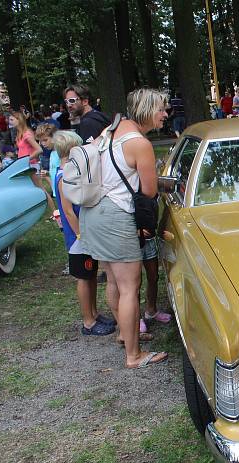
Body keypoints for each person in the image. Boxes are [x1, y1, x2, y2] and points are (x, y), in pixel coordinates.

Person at [79, 88, 169, 369]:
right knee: (131, 286)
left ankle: (123, 333)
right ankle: (134, 355)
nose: (165, 114)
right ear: (146, 109)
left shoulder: (111, 130)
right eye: (161, 109)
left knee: (114, 280)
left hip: (93, 213)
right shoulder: (140, 143)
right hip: (117, 217)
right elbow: (149, 191)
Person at [52, 130, 117, 335]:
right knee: (83, 276)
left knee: (90, 274)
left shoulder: (71, 173)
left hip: (85, 233)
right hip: (78, 238)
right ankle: (88, 321)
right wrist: (81, 235)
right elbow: (69, 213)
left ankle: (94, 313)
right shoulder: (63, 178)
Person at [10, 111, 55, 212]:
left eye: (12, 119)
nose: (9, 121)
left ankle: (54, 212)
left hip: (32, 165)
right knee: (30, 188)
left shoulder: (27, 134)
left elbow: (39, 149)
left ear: (19, 120)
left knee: (41, 189)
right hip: (25, 166)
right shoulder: (19, 133)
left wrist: (25, 159)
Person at [35, 123, 60, 197]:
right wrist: (48, 174)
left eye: (45, 140)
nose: (43, 144)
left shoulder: (61, 153)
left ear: (54, 137)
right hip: (58, 193)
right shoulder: (52, 153)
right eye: (41, 141)